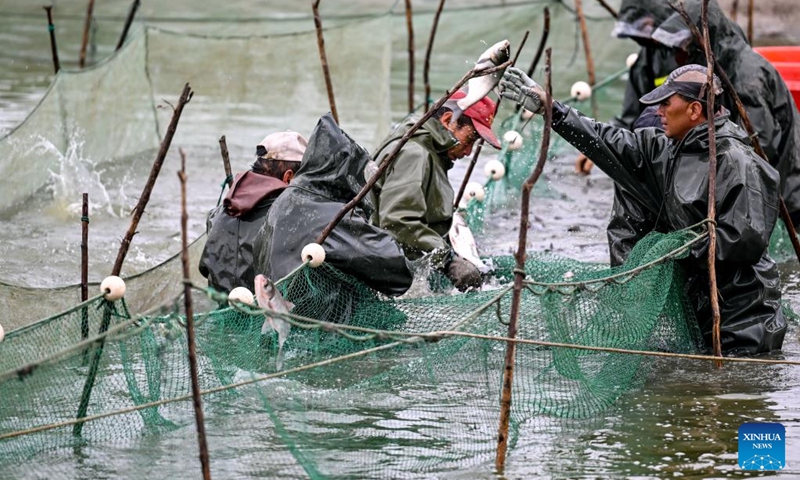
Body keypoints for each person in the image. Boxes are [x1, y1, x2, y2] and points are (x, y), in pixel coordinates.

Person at [500, 64, 787, 355]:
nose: (659, 111)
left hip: (743, 320)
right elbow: (603, 139)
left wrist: (676, 249)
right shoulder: (662, 150)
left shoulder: (736, 162)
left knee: (736, 392)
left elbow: (744, 242)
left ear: (694, 110)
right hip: (698, 312)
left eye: (666, 103)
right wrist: (553, 112)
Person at [263, 113, 414, 298]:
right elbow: (398, 272)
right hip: (319, 320)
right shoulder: (326, 212)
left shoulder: (281, 202)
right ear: (344, 177)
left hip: (277, 313)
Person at [371, 90, 501, 291]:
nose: (468, 152)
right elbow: (397, 222)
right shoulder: (414, 154)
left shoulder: (429, 149)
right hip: (379, 270)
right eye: (470, 139)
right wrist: (448, 261)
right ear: (448, 120)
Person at [575, 0, 678, 175]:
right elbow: (630, 116)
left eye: (645, 26)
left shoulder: (706, 46)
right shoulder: (649, 57)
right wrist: (598, 146)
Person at [198, 131, 306, 294]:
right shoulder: (292, 217)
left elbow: (205, 268)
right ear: (288, 177)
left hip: (224, 307)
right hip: (265, 313)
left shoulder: (220, 212)